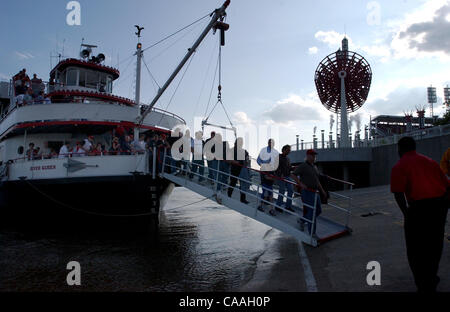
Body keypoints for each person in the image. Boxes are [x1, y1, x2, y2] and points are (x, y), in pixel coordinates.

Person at [390, 136, 449, 292]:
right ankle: (432, 277)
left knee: (416, 248)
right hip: (438, 207)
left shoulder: (400, 166)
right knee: (435, 245)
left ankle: (423, 283)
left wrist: (406, 213)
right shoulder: (431, 162)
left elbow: (398, 193)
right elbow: (446, 185)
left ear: (400, 149)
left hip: (418, 209)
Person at [291, 149, 327, 237]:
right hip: (307, 192)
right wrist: (300, 184)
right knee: (311, 212)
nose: (314, 157)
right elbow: (293, 174)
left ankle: (302, 220)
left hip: (315, 192)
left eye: (314, 155)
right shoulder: (303, 166)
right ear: (307, 156)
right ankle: (312, 233)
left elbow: (317, 180)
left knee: (318, 210)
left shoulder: (314, 167)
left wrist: (322, 191)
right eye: (312, 155)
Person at [256, 139, 279, 216]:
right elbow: (258, 160)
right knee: (265, 190)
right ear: (268, 143)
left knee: (270, 191)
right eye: (270, 142)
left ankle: (270, 208)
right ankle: (262, 206)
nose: (271, 144)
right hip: (264, 170)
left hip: (271, 171)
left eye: (272, 143)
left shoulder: (276, 153)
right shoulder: (263, 150)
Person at [227, 137, 249, 204]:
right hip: (234, 169)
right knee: (233, 183)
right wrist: (235, 162)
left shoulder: (244, 151)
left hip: (242, 170)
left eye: (241, 142)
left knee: (243, 185)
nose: (240, 143)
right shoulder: (231, 150)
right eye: (239, 142)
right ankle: (229, 196)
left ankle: (243, 199)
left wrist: (247, 161)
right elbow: (228, 160)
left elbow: (247, 160)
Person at [275, 145, 294, 212]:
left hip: (287, 176)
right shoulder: (278, 157)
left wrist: (295, 167)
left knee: (291, 190)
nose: (289, 151)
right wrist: (280, 175)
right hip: (280, 177)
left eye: (289, 150)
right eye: (288, 150)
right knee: (282, 190)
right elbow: (276, 167)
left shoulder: (288, 159)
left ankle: (288, 206)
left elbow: (289, 168)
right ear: (283, 150)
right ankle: (278, 206)